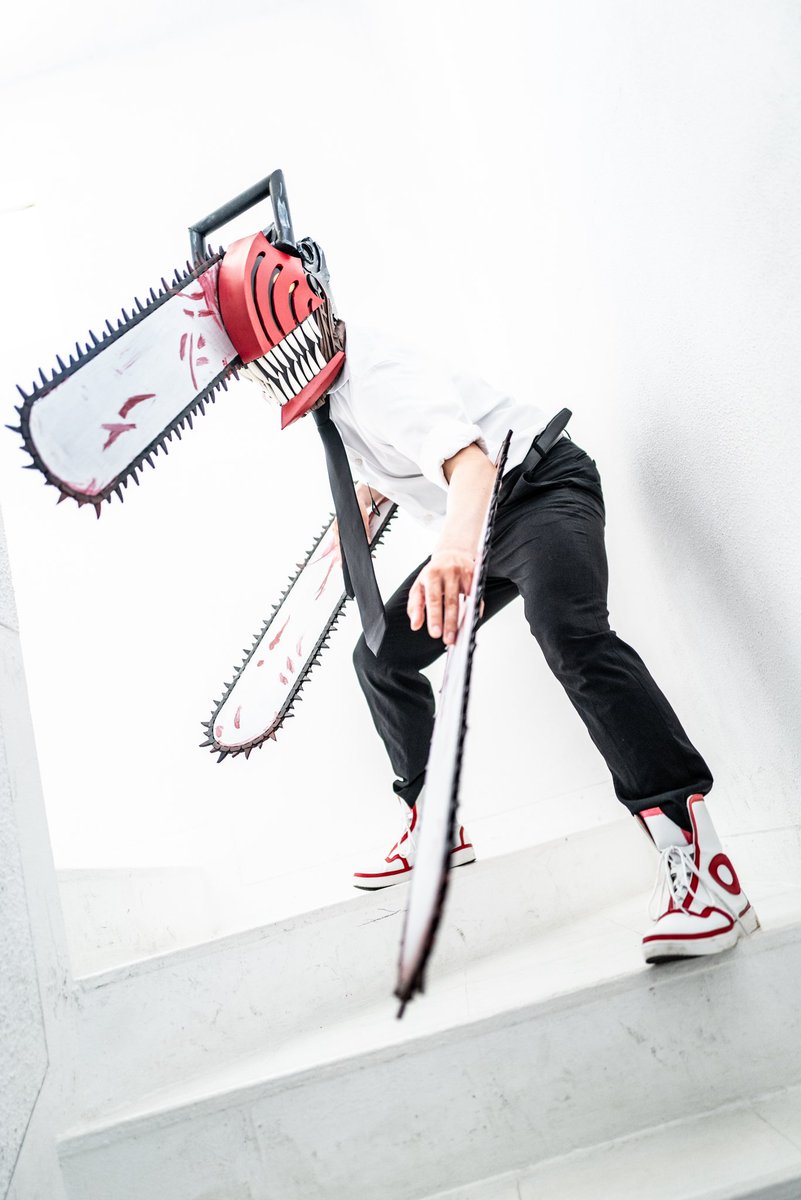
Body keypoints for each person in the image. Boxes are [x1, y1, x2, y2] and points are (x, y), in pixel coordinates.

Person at [324, 324, 759, 964]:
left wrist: (454, 550)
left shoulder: (372, 374)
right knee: (381, 656)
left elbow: (473, 465)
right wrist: (364, 498)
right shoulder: (333, 410)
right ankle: (433, 827)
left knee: (569, 634)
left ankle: (702, 870)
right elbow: (408, 448)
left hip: (539, 487)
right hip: (487, 520)